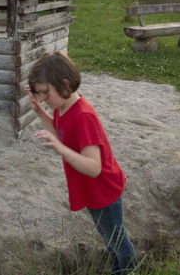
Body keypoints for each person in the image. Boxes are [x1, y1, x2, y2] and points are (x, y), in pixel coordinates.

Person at [25, 51, 137, 275]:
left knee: (117, 241)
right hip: (91, 190)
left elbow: (94, 167)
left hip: (103, 190)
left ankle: (130, 271)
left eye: (46, 92)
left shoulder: (83, 115)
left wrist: (61, 148)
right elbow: (60, 131)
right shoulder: (63, 108)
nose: (44, 98)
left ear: (64, 85)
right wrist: (39, 111)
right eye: (40, 94)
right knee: (108, 238)